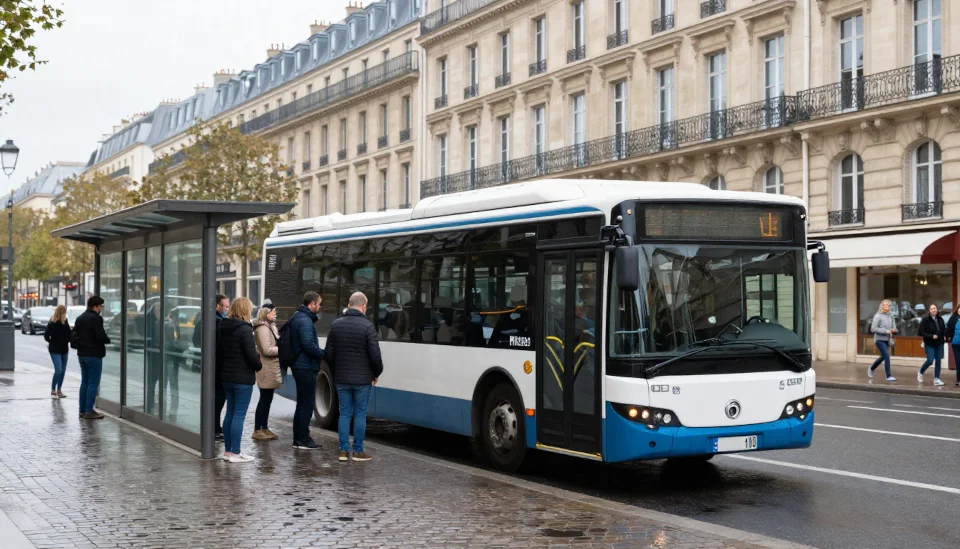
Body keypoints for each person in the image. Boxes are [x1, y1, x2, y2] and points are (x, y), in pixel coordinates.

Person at [325, 291, 383, 462]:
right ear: (363, 306)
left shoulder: (336, 325)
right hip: (362, 379)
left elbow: (328, 354)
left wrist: (337, 371)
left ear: (349, 305)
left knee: (344, 413)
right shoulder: (367, 326)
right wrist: (376, 373)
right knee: (359, 414)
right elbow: (375, 355)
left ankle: (343, 451)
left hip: (342, 378)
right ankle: (358, 451)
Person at [216, 297, 261, 463]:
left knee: (230, 413)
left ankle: (228, 451)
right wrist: (259, 363)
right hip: (242, 378)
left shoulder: (223, 326)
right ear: (245, 310)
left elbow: (220, 353)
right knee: (239, 415)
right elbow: (251, 356)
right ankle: (235, 452)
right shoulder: (245, 329)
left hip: (227, 376)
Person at [288, 291, 326, 450]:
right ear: (312, 304)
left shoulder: (298, 317)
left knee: (302, 403)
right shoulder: (304, 321)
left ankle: (299, 438)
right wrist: (326, 355)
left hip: (299, 365)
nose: (320, 306)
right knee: (306, 403)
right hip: (305, 366)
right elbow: (308, 345)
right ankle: (303, 439)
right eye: (319, 303)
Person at [73, 296, 111, 420]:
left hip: (82, 354)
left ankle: (82, 410)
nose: (101, 308)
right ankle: (89, 410)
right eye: (101, 306)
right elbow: (100, 335)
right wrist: (107, 339)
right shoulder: (96, 318)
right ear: (95, 306)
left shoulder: (80, 318)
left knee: (85, 382)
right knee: (93, 383)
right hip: (94, 354)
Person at [201, 295, 230, 441]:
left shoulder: (208, 319)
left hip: (214, 364)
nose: (227, 309)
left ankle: (215, 427)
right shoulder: (217, 322)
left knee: (217, 398)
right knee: (218, 398)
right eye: (225, 306)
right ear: (218, 306)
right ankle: (214, 428)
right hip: (217, 366)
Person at [252, 301, 281, 441]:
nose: (275, 314)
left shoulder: (270, 326)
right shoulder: (263, 328)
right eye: (273, 312)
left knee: (268, 399)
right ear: (266, 313)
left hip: (271, 367)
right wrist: (283, 350)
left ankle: (264, 427)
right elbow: (266, 349)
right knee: (264, 399)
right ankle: (258, 429)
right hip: (266, 367)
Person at [44, 305, 71, 399]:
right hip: (55, 349)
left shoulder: (65, 322)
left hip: (64, 349)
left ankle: (59, 390)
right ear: (62, 312)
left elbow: (69, 334)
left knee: (63, 370)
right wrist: (52, 342)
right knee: (58, 369)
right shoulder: (52, 322)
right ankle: (53, 389)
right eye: (65, 312)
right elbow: (46, 335)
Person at [868, 299, 897, 381]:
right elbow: (873, 329)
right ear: (882, 306)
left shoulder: (891, 315)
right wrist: (885, 331)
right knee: (887, 355)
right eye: (886, 304)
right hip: (879, 339)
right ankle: (888, 376)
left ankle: (871, 368)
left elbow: (894, 326)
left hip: (887, 339)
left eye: (889, 305)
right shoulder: (878, 316)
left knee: (883, 356)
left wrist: (894, 329)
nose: (888, 306)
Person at [918, 303, 946, 386]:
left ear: (937, 310)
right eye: (931, 309)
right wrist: (931, 336)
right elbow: (920, 332)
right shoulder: (925, 320)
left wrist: (945, 336)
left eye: (934, 308)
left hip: (939, 344)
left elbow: (943, 329)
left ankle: (937, 379)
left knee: (938, 361)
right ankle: (920, 372)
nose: (933, 310)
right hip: (929, 343)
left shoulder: (940, 319)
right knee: (930, 360)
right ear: (929, 311)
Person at [948, 311, 960, 387]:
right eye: (959, 309)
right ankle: (958, 380)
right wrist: (949, 339)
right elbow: (949, 329)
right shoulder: (953, 319)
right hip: (956, 344)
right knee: (958, 362)